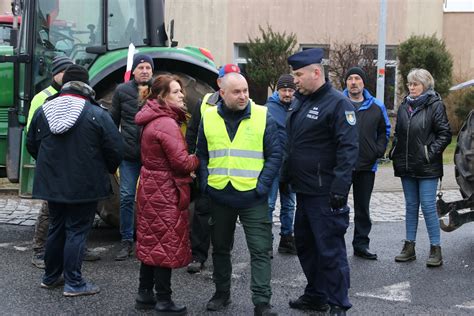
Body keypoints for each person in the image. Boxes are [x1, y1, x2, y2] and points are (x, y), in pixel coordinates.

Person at [26, 64, 123, 296]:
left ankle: (50, 278)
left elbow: (31, 144)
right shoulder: (96, 112)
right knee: (77, 231)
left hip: (52, 183)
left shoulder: (44, 110)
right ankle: (74, 283)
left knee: (56, 227)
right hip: (85, 184)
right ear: (86, 85)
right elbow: (115, 148)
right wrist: (107, 169)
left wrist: (49, 166)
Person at [282, 48, 358, 315]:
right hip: (303, 190)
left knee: (330, 251)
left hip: (325, 193)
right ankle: (316, 294)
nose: (295, 80)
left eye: (299, 74)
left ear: (316, 72)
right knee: (306, 245)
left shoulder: (338, 104)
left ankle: (338, 302)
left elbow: (348, 149)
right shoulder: (302, 100)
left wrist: (339, 188)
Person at [196, 72, 281, 316]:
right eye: (237, 91)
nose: (243, 95)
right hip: (220, 194)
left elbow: (275, 155)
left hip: (253, 197)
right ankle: (222, 293)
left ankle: (262, 302)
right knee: (221, 248)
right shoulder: (209, 117)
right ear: (222, 93)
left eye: (245, 90)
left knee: (260, 249)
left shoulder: (263, 116)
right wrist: (205, 183)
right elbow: (201, 153)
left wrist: (262, 186)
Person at [134, 74, 199, 315]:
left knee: (152, 241)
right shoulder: (166, 123)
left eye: (181, 90)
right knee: (163, 244)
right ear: (161, 96)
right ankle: (164, 300)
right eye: (175, 92)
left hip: (151, 186)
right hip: (164, 190)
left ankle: (144, 294)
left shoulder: (153, 118)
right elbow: (182, 163)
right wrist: (199, 157)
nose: (182, 95)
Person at [28, 56, 100, 268]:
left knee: (72, 209)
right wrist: (45, 160)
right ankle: (39, 250)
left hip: (70, 163)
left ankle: (77, 246)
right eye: (64, 72)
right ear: (56, 74)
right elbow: (34, 135)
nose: (68, 76)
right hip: (52, 163)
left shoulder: (78, 97)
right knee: (49, 209)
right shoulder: (42, 98)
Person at [389, 68, 451, 267]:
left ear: (425, 85)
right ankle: (409, 247)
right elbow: (399, 133)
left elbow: (445, 134)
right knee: (410, 206)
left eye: (415, 84)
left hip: (426, 167)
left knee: (427, 206)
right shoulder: (404, 106)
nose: (411, 87)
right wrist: (394, 150)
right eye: (409, 84)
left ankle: (436, 249)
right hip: (406, 165)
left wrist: (429, 153)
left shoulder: (436, 105)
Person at [185, 63, 241, 273]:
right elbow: (192, 132)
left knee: (227, 215)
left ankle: (223, 256)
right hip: (207, 167)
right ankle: (198, 256)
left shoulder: (246, 105)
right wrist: (191, 159)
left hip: (232, 169)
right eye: (230, 77)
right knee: (202, 212)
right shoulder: (205, 102)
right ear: (220, 83)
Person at [343, 67, 391, 260]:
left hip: (366, 167)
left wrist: (377, 151)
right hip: (342, 167)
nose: (353, 82)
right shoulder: (338, 103)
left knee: (363, 208)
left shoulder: (376, 106)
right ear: (346, 83)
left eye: (357, 78)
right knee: (337, 208)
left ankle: (361, 245)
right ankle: (334, 244)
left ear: (363, 83)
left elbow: (384, 131)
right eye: (350, 79)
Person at [110, 54, 154, 261]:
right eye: (141, 67)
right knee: (127, 196)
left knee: (152, 199)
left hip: (153, 155)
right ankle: (127, 239)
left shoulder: (159, 90)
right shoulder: (121, 91)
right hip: (128, 155)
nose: (145, 70)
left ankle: (150, 238)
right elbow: (112, 121)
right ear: (133, 71)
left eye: (148, 67)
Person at [265, 74, 297, 255]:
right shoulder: (268, 109)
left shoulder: (298, 106)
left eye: (290, 90)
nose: (287, 94)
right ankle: (266, 242)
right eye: (284, 90)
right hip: (274, 163)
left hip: (291, 164)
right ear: (277, 91)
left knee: (289, 203)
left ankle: (286, 238)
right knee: (269, 204)